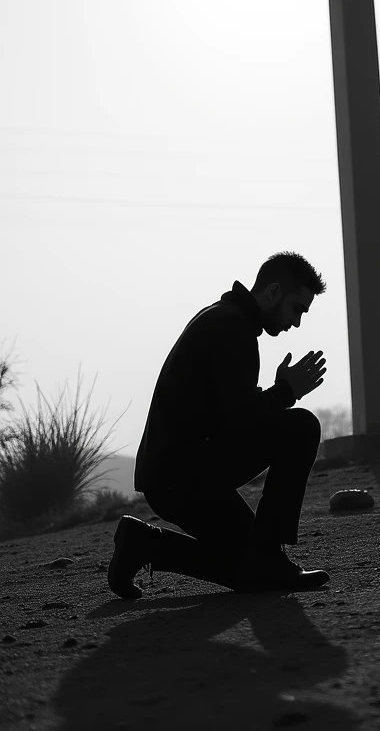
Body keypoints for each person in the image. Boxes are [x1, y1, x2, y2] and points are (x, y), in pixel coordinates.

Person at [107, 251, 329, 598]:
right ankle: (268, 555)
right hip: (182, 479)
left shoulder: (227, 319)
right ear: (272, 293)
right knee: (301, 427)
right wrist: (284, 392)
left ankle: (144, 544)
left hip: (180, 476)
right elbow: (238, 423)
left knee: (254, 572)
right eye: (296, 309)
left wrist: (277, 394)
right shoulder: (231, 327)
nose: (296, 323)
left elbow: (230, 414)